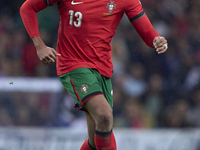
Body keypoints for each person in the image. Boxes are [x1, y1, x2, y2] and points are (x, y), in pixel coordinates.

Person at [20, 0, 168, 149]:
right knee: (105, 116)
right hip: (73, 64)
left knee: (96, 140)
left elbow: (147, 31)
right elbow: (27, 8)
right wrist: (40, 46)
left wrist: (156, 39)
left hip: (103, 70)